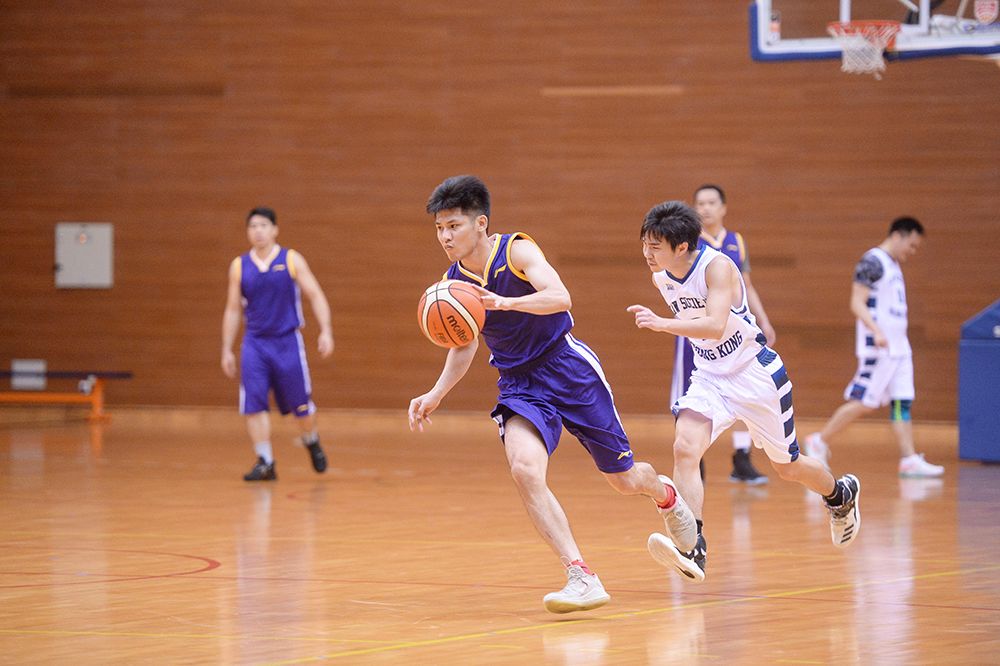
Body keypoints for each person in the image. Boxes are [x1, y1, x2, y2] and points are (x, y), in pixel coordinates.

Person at [408, 175, 697, 613]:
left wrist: (506, 303)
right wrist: (436, 392)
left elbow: (560, 296)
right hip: (519, 384)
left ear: (480, 223)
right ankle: (581, 575)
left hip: (567, 367)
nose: (445, 237)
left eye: (453, 226)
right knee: (524, 469)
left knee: (622, 480)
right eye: (439, 229)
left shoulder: (517, 250)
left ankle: (665, 496)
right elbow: (464, 344)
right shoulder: (453, 285)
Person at [628, 200, 861, 582]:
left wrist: (662, 324)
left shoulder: (717, 267)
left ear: (682, 247)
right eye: (644, 244)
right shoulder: (662, 275)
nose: (646, 254)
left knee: (788, 467)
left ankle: (839, 495)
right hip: (710, 377)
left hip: (755, 375)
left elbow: (717, 325)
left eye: (655, 246)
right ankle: (693, 546)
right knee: (685, 447)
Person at [804, 217, 943, 478]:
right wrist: (877, 331)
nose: (911, 252)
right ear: (899, 235)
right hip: (879, 347)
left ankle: (909, 459)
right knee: (864, 401)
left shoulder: (893, 264)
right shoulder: (872, 261)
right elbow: (857, 303)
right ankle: (819, 440)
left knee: (902, 401)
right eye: (911, 245)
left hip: (900, 348)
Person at [672, 185, 776, 485]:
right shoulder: (687, 243)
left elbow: (746, 284)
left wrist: (763, 320)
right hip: (698, 333)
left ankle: (742, 458)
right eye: (699, 203)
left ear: (723, 207)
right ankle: (694, 460)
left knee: (743, 387)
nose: (704, 208)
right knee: (692, 393)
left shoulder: (736, 241)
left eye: (711, 203)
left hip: (735, 333)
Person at [221, 206, 334, 481]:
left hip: (287, 342)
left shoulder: (291, 259)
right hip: (255, 344)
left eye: (263, 225)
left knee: (301, 407)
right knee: (254, 404)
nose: (257, 231)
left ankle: (311, 439)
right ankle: (265, 460)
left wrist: (325, 330)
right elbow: (233, 309)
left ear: (274, 230)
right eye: (252, 226)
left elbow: (315, 295)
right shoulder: (239, 266)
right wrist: (226, 348)